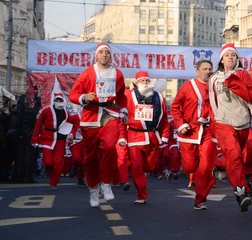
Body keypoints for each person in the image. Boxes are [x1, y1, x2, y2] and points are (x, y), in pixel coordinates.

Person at [69, 43, 127, 207]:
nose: (104, 55)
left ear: (111, 55)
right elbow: (73, 95)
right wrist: (84, 97)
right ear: (96, 55)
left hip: (110, 114)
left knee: (109, 147)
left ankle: (106, 183)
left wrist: (123, 111)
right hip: (91, 116)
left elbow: (121, 96)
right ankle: (94, 187)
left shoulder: (118, 74)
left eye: (107, 52)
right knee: (90, 157)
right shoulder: (87, 74)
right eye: (101, 52)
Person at [209, 44, 252, 212]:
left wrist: (234, 80)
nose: (230, 57)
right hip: (223, 123)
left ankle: (220, 164)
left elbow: (249, 95)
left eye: (233, 55)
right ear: (221, 59)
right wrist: (215, 124)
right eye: (227, 55)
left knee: (237, 157)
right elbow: (212, 101)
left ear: (237, 59)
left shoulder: (243, 74)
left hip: (243, 122)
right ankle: (241, 192)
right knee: (234, 155)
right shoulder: (214, 78)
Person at [171, 59, 218, 210]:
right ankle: (193, 175)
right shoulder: (187, 86)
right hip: (189, 131)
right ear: (197, 71)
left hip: (208, 131)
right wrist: (181, 124)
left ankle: (200, 199)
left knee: (206, 167)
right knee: (190, 166)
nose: (208, 71)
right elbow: (175, 106)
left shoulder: (216, 87)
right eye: (204, 68)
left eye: (210, 68)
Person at [118, 71, 169, 204]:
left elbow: (164, 119)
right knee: (136, 167)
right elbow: (122, 119)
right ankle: (141, 195)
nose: (145, 83)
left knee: (149, 167)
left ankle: (145, 173)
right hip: (135, 137)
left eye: (147, 81)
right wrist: (122, 136)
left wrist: (165, 136)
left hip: (153, 137)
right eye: (142, 81)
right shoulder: (129, 97)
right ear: (136, 83)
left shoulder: (159, 97)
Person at [31, 93, 79, 189]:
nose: (58, 102)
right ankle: (49, 172)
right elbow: (38, 125)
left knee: (57, 162)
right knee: (48, 162)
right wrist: (35, 138)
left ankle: (54, 182)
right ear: (54, 101)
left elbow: (72, 125)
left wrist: (71, 134)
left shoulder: (66, 113)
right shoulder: (46, 111)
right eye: (57, 100)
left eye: (60, 100)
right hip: (47, 138)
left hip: (60, 139)